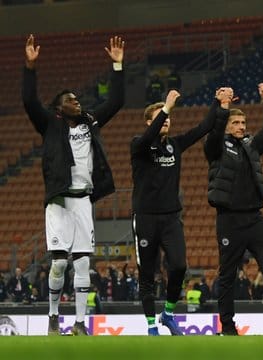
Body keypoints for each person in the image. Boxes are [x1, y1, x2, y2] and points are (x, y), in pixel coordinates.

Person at [23, 34, 125, 336]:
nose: (76, 101)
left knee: (82, 266)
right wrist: (30, 67)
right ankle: (53, 317)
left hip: (83, 201)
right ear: (58, 108)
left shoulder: (91, 122)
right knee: (58, 265)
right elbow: (29, 101)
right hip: (58, 201)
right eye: (70, 99)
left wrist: (118, 65)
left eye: (77, 98)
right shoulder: (50, 125)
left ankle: (80, 323)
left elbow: (116, 101)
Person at [131, 86, 231, 335]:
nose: (165, 122)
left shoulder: (174, 145)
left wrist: (217, 103)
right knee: (147, 274)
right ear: (148, 122)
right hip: (145, 218)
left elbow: (202, 128)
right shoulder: (138, 145)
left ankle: (168, 312)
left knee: (178, 266)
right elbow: (148, 137)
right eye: (158, 118)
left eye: (166, 118)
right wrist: (165, 108)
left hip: (170, 217)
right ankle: (151, 325)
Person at [204, 83, 263, 336]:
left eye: (243, 124)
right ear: (226, 125)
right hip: (229, 219)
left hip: (254, 217)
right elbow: (213, 133)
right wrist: (223, 108)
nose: (241, 127)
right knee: (227, 275)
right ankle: (227, 327)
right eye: (235, 124)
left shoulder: (251, 147)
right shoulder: (215, 147)